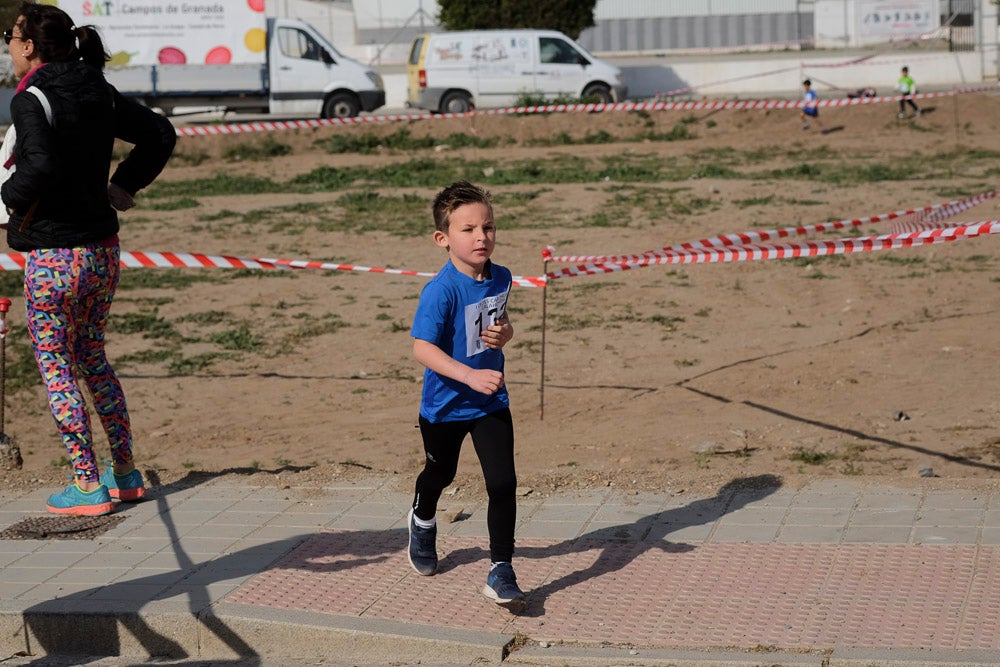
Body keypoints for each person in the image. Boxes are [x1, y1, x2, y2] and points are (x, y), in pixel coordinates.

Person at [1, 2, 176, 515]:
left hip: (53, 258)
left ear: (29, 45)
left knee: (57, 366)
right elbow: (161, 132)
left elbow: (39, 165)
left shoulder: (32, 97)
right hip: (102, 252)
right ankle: (123, 473)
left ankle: (85, 485)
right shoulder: (94, 85)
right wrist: (123, 184)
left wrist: (6, 196)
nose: (8, 47)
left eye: (10, 37)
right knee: (93, 357)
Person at [406, 180, 524, 607]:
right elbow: (422, 347)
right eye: (469, 229)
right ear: (443, 239)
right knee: (441, 475)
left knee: (503, 482)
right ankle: (422, 519)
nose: (482, 237)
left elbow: (497, 325)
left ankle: (501, 569)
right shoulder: (441, 290)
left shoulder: (503, 277)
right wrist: (469, 377)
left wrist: (506, 334)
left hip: (490, 401)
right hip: (445, 406)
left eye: (488, 227)